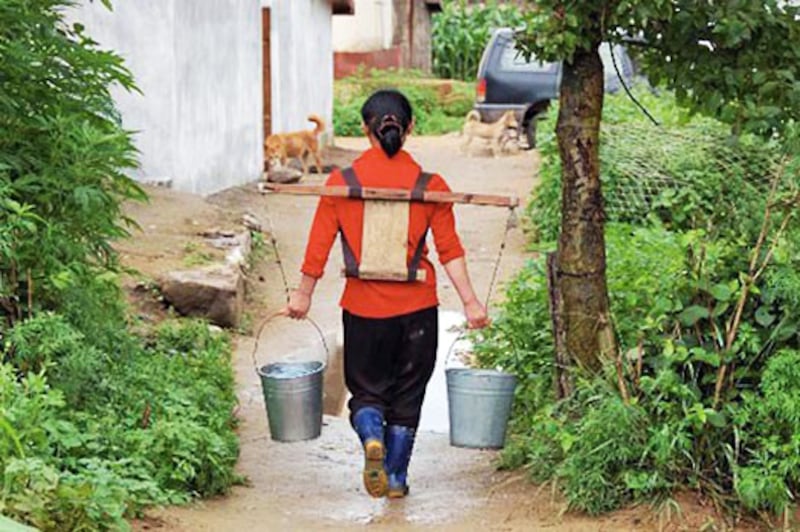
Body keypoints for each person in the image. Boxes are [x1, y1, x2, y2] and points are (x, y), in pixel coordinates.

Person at [283, 89, 489, 498]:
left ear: (365, 129)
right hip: (418, 311)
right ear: (410, 128)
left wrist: (302, 296)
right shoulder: (432, 186)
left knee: (366, 392)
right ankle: (395, 478)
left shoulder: (342, 184)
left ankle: (371, 432)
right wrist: (470, 302)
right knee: (408, 394)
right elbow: (450, 251)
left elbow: (317, 248)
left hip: (362, 310)